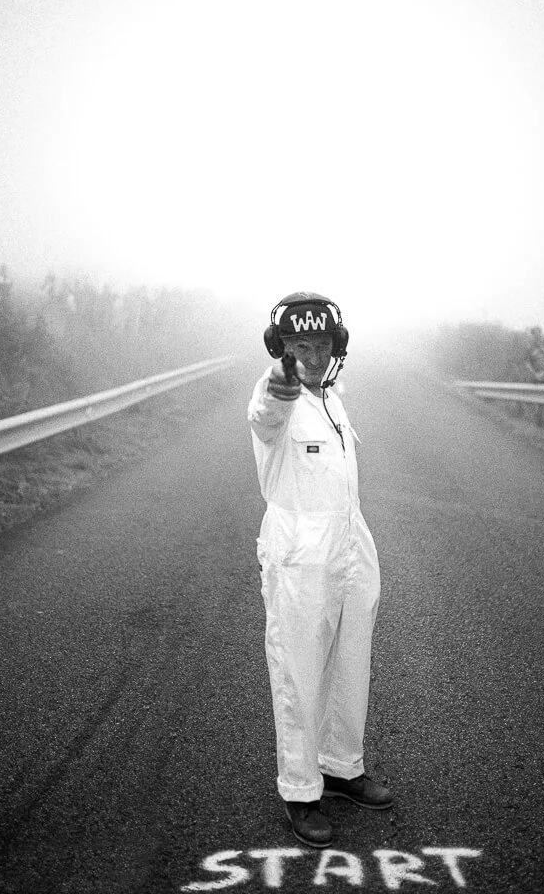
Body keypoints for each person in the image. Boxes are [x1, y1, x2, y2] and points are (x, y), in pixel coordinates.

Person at [247, 292, 391, 849]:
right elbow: (266, 415)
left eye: (322, 343)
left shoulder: (333, 395)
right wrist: (279, 388)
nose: (310, 355)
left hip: (351, 539)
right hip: (300, 549)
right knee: (299, 668)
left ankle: (341, 768)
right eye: (297, 344)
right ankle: (300, 791)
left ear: (339, 346)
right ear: (279, 347)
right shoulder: (273, 392)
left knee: (351, 659)